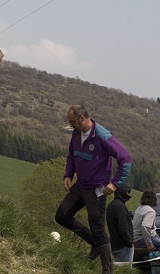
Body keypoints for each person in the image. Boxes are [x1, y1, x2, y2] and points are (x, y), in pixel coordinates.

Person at [54, 105, 132, 274]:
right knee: (61, 216)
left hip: (97, 189)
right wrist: (68, 174)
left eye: (72, 122)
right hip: (81, 185)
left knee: (98, 228)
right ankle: (94, 243)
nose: (70, 125)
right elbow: (72, 155)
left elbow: (126, 158)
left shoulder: (103, 136)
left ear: (81, 118)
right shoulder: (76, 134)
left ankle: (107, 270)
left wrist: (115, 183)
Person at [132, 190, 160, 274]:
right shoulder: (150, 211)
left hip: (137, 238)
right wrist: (149, 244)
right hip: (142, 239)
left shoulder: (139, 208)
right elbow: (145, 226)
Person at [106, 184, 134, 263]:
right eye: (127, 192)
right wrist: (129, 242)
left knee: (119, 267)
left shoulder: (111, 205)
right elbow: (123, 227)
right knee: (126, 268)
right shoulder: (120, 207)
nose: (128, 194)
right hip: (123, 246)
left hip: (114, 244)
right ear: (122, 192)